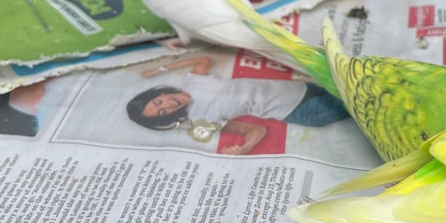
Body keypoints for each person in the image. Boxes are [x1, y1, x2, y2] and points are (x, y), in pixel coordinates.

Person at [126, 56, 348, 154]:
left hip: (302, 87)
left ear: (160, 93)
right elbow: (255, 130)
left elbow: (202, 60)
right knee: (364, 105)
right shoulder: (200, 121)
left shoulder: (192, 81)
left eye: (158, 102)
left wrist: (161, 69)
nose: (167, 105)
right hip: (301, 111)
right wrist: (244, 148)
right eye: (162, 112)